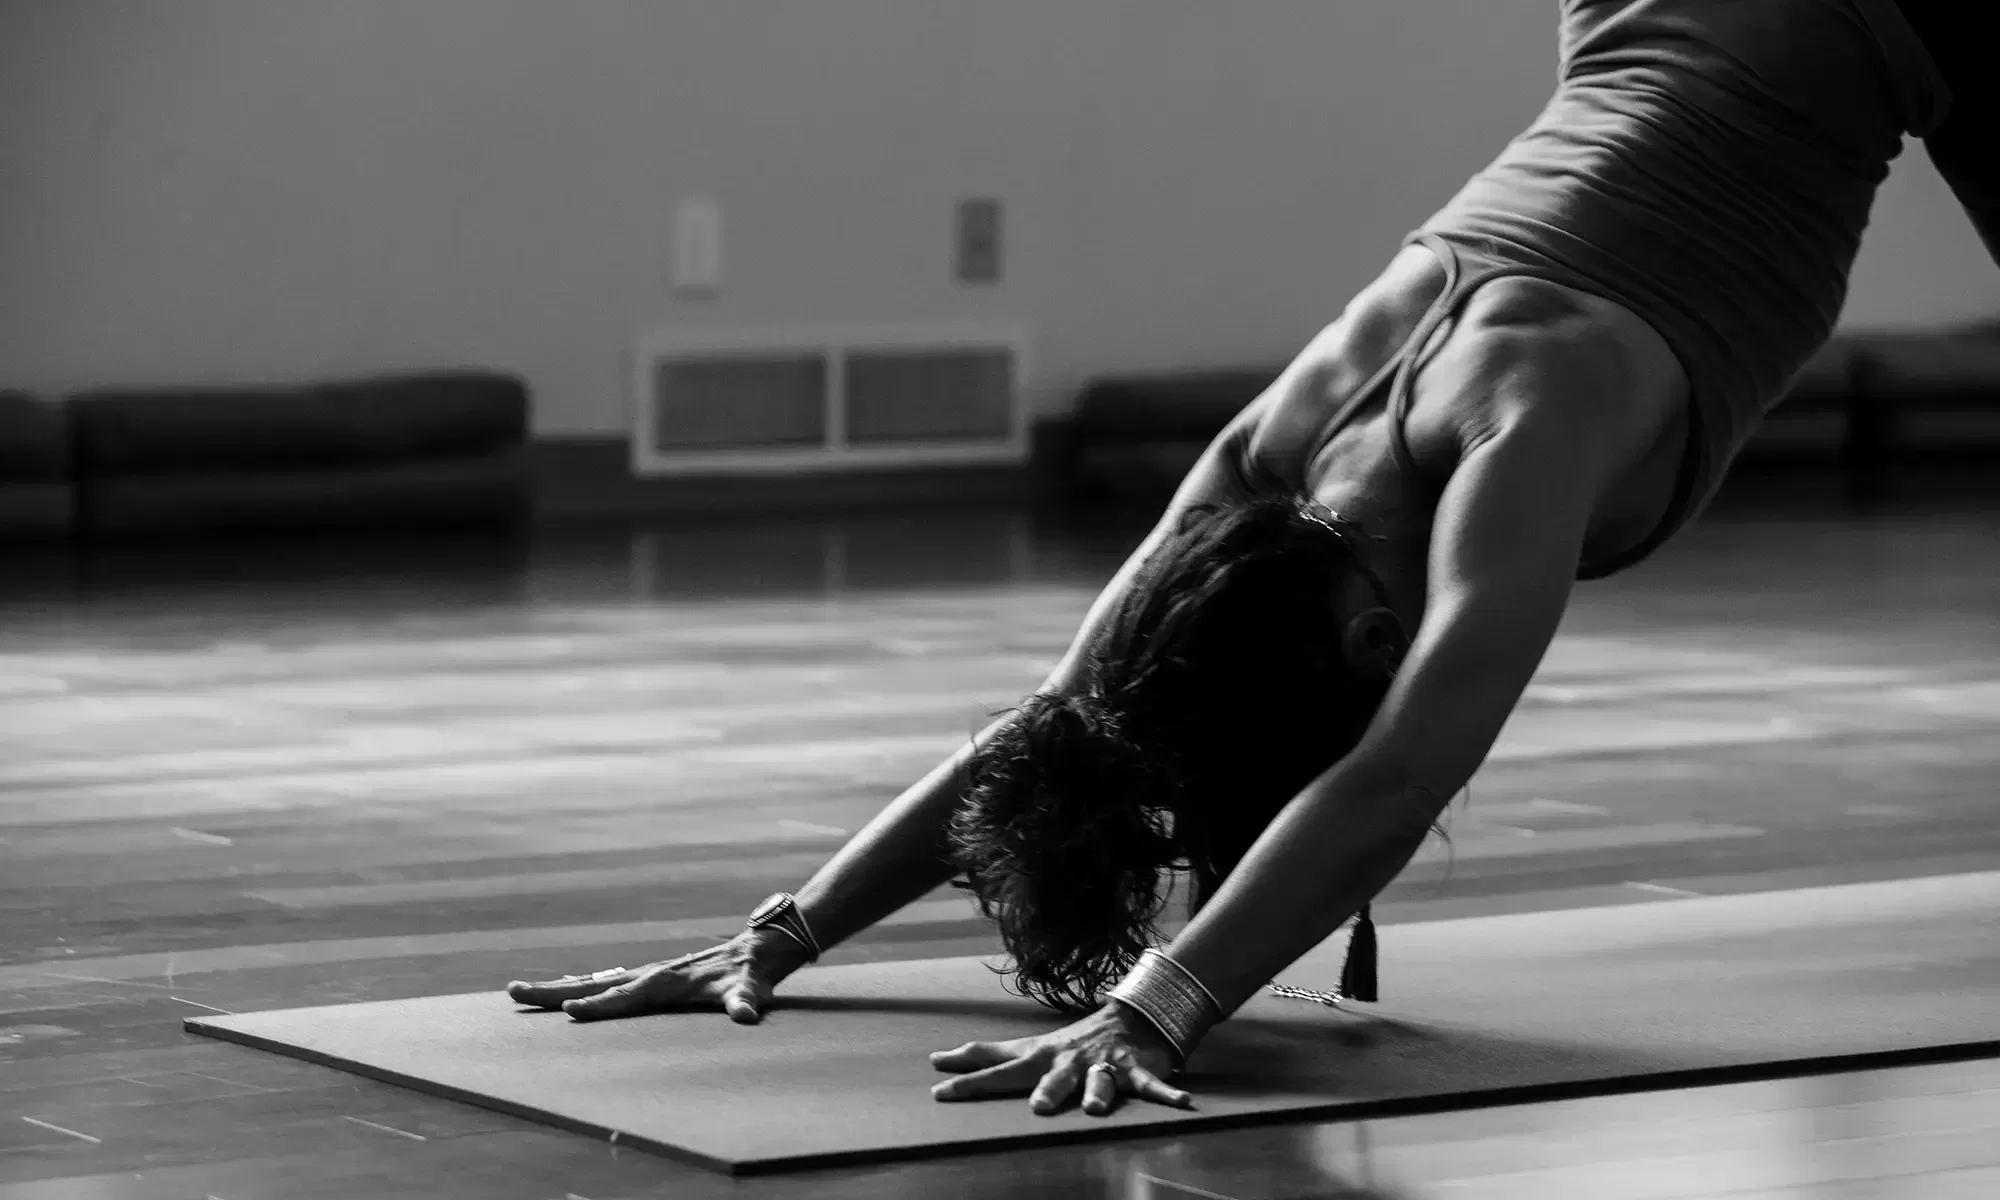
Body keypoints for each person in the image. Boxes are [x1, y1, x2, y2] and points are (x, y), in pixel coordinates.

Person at [509, 0, 1995, 1118]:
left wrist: (1161, 1010)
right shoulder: (1258, 475)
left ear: (1362, 648)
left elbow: (1396, 775)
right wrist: (782, 931)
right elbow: (1063, 723)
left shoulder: (1518, 438)